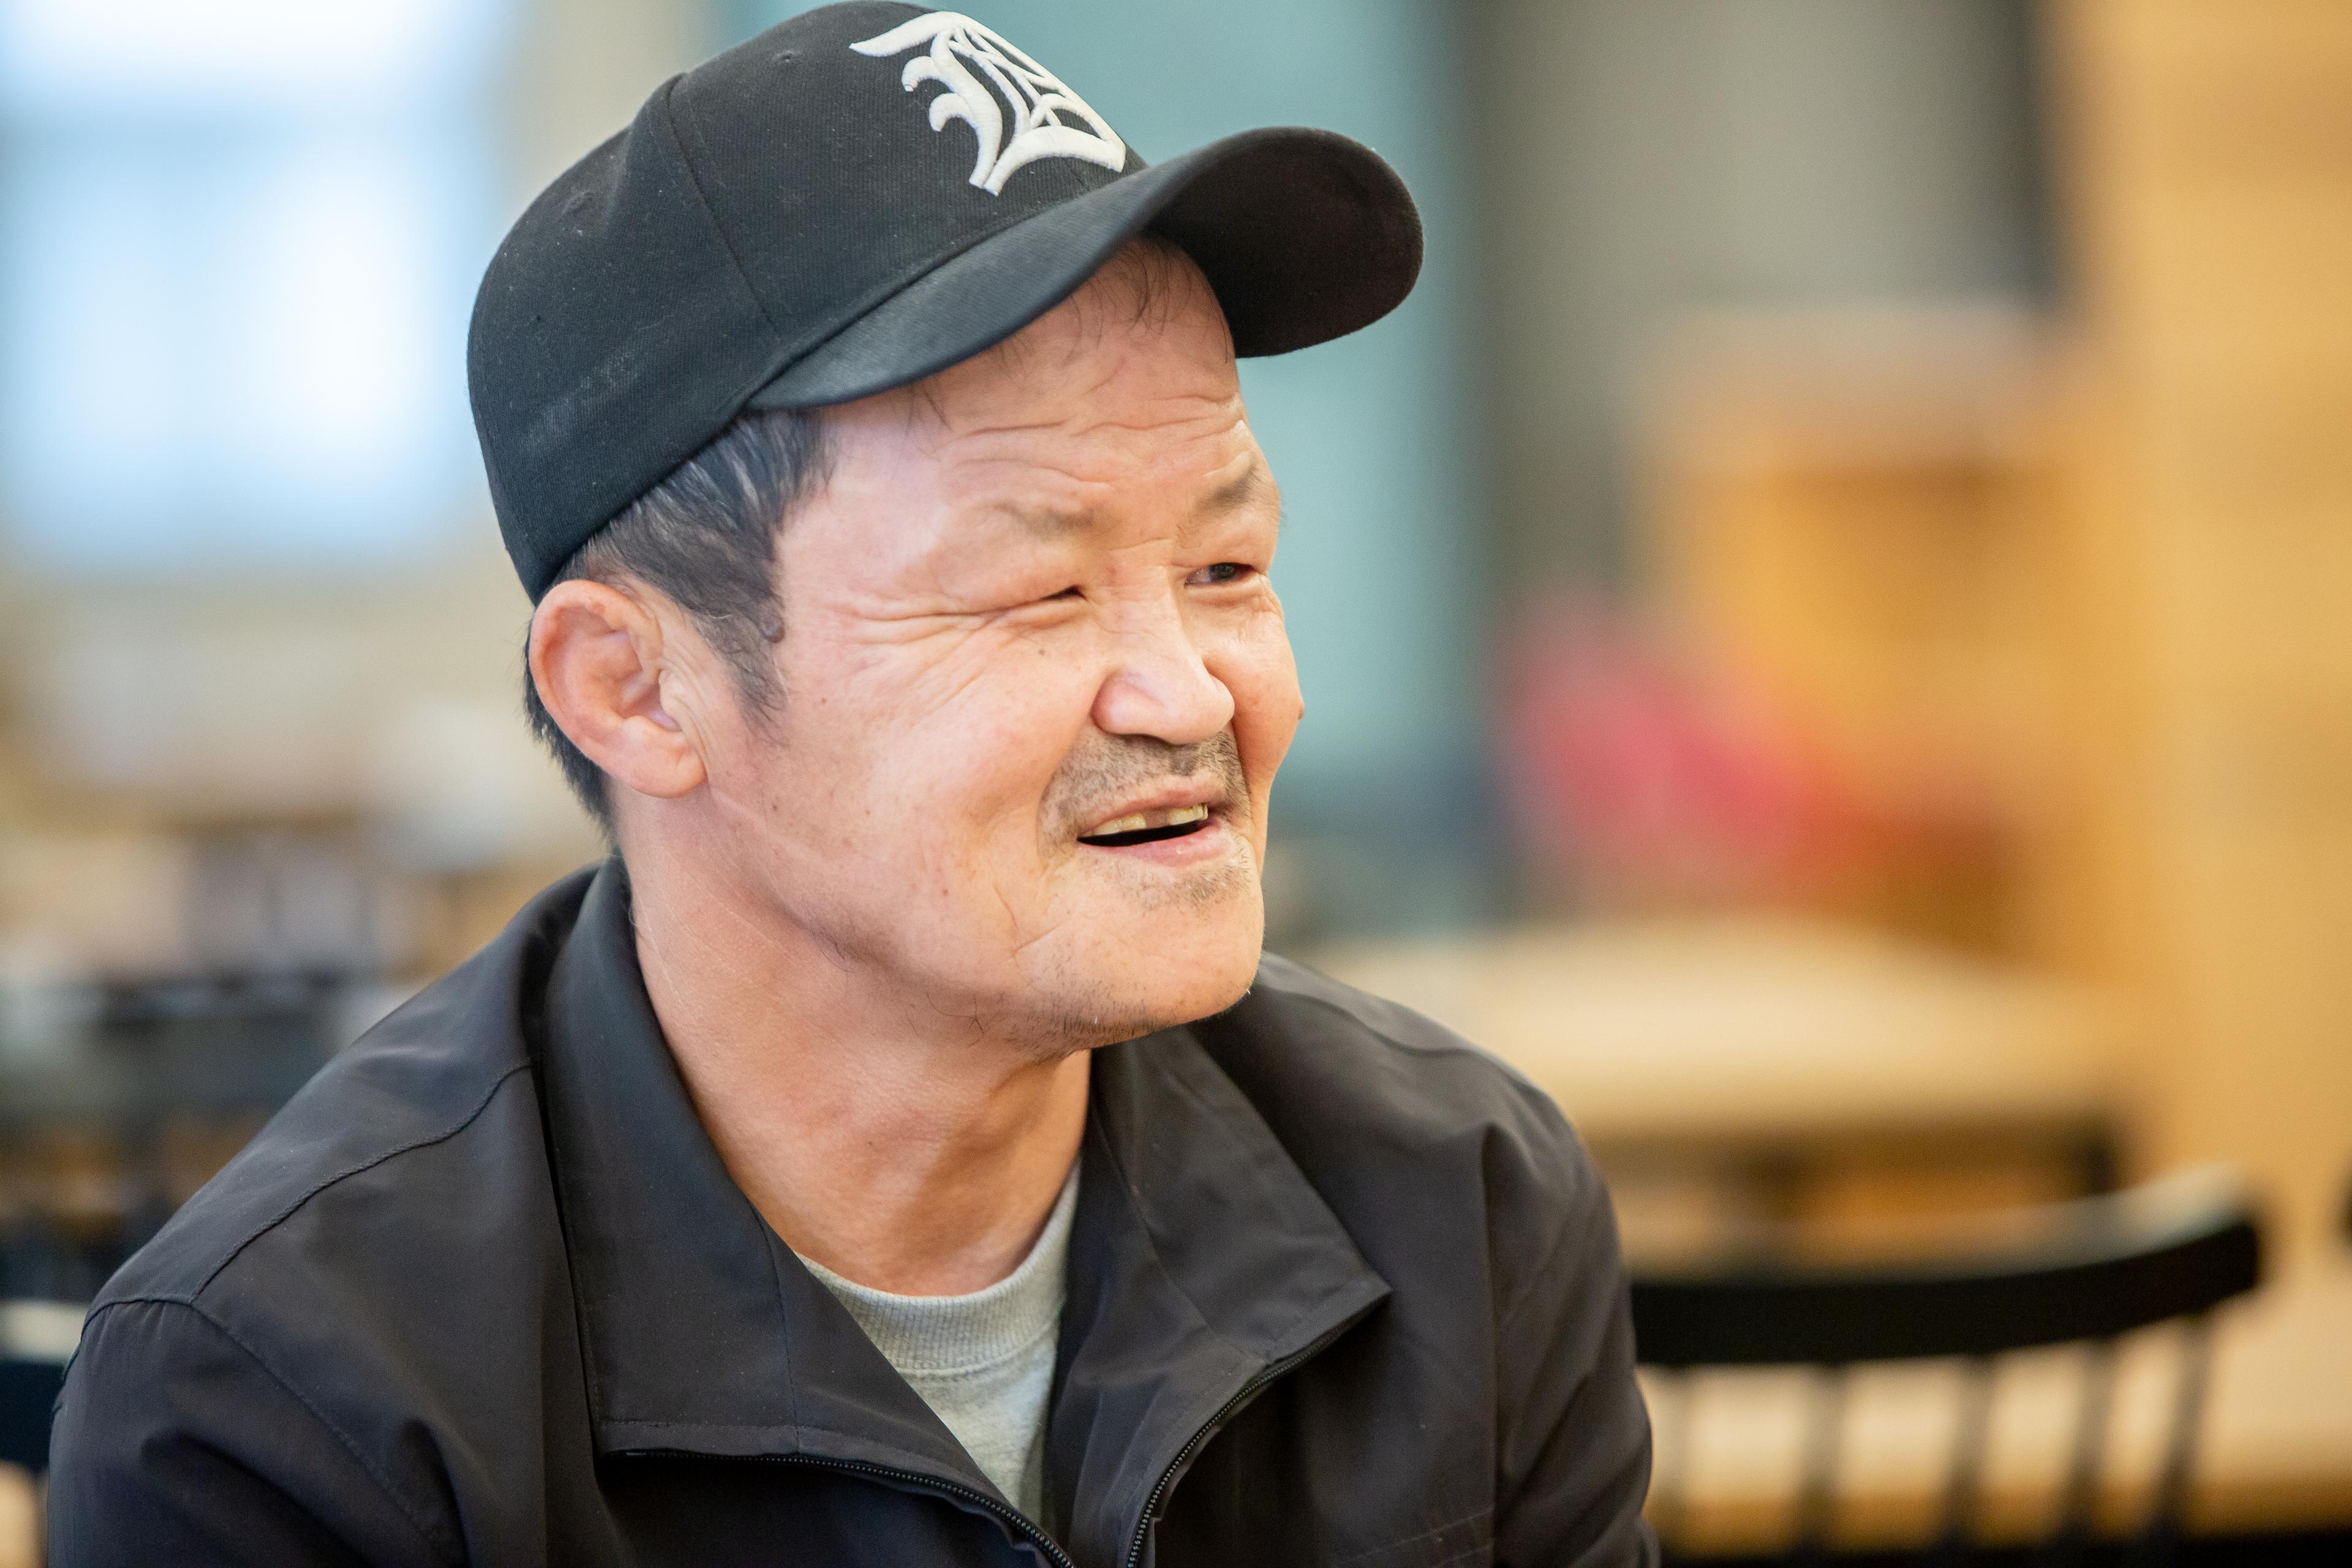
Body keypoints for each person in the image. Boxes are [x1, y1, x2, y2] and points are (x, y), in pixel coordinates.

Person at [48, 6, 1655, 1563]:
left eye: (1228, 562)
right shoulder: (288, 1403)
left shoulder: (1461, 1209)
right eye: (1038, 592)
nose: (1192, 690)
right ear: (636, 690)